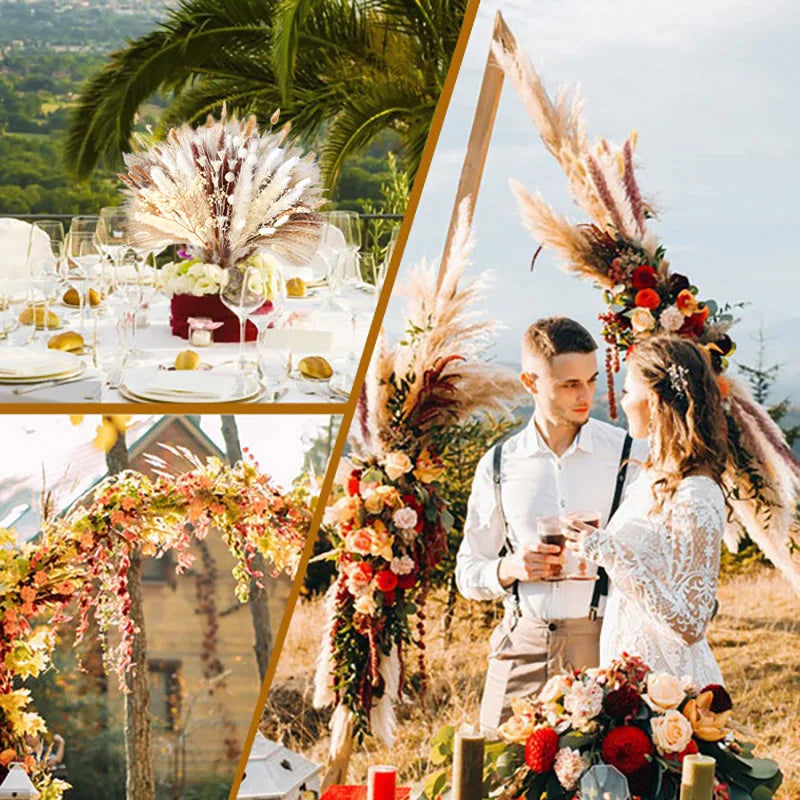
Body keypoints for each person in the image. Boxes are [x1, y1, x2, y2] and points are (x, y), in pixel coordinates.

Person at [456, 316, 646, 735]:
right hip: (520, 645)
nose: (586, 396)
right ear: (530, 382)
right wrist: (512, 568)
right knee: (488, 779)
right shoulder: (500, 464)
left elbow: (653, 561)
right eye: (569, 384)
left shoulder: (628, 455)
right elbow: (467, 572)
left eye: (591, 380)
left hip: (601, 648)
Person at [566, 335, 726, 685]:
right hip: (629, 676)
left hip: (671, 687)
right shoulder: (652, 477)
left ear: (652, 401)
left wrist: (610, 552)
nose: (622, 401)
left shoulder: (696, 493)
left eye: (626, 391)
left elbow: (691, 624)